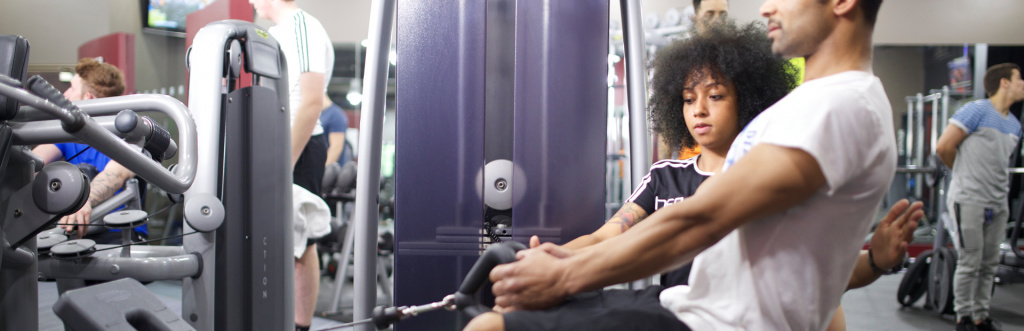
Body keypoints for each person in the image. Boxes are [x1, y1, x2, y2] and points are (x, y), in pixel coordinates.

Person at [466, 0, 895, 330]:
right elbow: (683, 211)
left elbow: (703, 218)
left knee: (491, 325)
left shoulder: (843, 106)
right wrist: (563, 261)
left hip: (720, 324)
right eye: (690, 100)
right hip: (686, 305)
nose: (766, 8)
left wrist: (565, 278)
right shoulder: (810, 106)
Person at [250, 0, 335, 329]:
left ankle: (301, 326)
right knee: (277, 239)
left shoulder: (302, 26)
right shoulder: (276, 32)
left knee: (300, 242)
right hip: (276, 145)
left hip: (298, 145)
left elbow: (312, 101)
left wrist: (283, 163)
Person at [936, 62, 1024, 331]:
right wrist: (964, 175)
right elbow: (944, 146)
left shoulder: (1015, 124)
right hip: (969, 198)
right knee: (970, 261)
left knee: (989, 264)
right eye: (1019, 79)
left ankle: (980, 316)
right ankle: (963, 317)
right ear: (1005, 82)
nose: (1023, 84)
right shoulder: (975, 110)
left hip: (998, 202)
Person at [32, 57, 145, 244]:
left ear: (88, 98)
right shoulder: (67, 134)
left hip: (117, 232)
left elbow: (115, 175)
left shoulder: (129, 135)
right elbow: (31, 162)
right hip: (74, 229)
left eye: (72, 88)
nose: (65, 94)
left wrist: (84, 200)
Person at [319, 94, 352, 167]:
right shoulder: (318, 114)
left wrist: (322, 172)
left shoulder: (335, 115)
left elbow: (336, 148)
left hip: (331, 172)